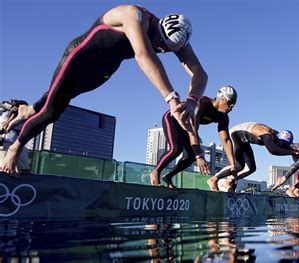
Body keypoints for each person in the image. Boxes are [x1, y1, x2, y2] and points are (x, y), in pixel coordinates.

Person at [1, 5, 208, 175]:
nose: (162, 51)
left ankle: (25, 112)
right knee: (52, 112)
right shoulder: (134, 15)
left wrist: (191, 102)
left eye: (168, 50)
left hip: (103, 70)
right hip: (78, 58)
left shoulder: (176, 40)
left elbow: (200, 74)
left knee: (57, 100)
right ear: (159, 29)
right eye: (162, 45)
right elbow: (144, 55)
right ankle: (15, 148)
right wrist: (172, 100)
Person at [149, 86, 237, 189]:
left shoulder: (223, 117)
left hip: (187, 126)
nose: (232, 107)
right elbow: (193, 130)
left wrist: (233, 165)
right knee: (176, 149)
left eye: (234, 104)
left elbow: (226, 140)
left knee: (191, 156)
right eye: (230, 103)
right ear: (222, 99)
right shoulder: (203, 103)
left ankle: (168, 177)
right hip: (173, 118)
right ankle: (156, 172)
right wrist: (199, 156)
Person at [207, 122, 297, 192]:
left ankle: (229, 181)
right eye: (282, 143)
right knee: (239, 166)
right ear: (279, 138)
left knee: (252, 168)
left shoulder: (276, 135)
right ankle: (213, 179)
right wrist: (292, 152)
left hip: (243, 139)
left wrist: (293, 151)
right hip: (234, 135)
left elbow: (285, 147)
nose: (281, 145)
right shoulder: (268, 135)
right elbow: (272, 151)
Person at [0, 100, 30, 173]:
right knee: (4, 169)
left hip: (18, 144)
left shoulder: (25, 114)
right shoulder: (7, 111)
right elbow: (5, 125)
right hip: (5, 141)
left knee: (25, 170)